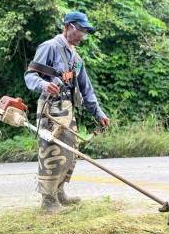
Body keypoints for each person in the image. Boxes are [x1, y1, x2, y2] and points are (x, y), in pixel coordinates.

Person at [24, 11, 110, 213]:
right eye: (81, 30)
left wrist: (99, 114)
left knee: (70, 152)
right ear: (69, 26)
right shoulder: (50, 47)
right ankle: (48, 200)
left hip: (68, 109)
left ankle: (60, 192)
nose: (83, 35)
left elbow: (87, 90)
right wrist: (43, 85)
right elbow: (30, 76)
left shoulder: (77, 58)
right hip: (50, 109)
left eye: (86, 32)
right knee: (51, 153)